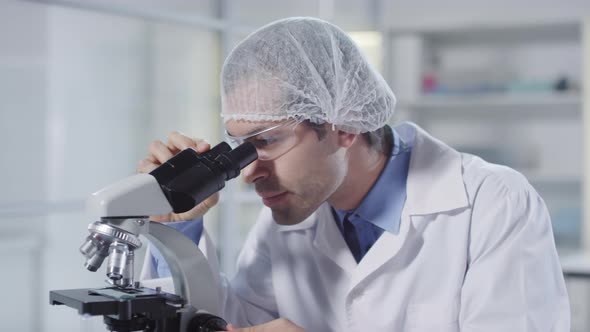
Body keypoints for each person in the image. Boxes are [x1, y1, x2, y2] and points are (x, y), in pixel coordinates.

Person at [137, 17, 570, 332]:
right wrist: (178, 231)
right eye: (238, 145)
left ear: (343, 126)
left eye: (264, 141)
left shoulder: (493, 203)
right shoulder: (288, 217)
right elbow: (234, 322)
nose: (248, 173)